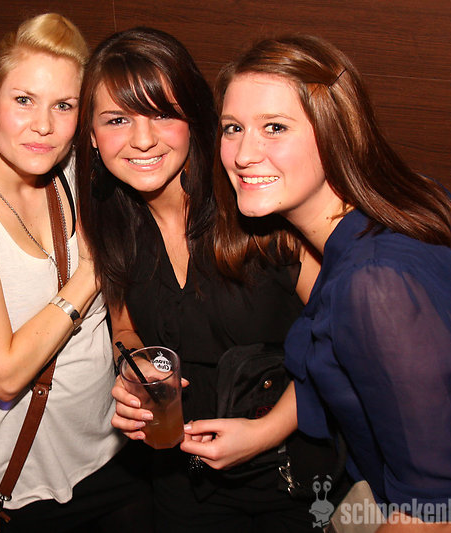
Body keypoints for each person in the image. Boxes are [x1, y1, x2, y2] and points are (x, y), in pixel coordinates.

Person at [216, 34, 451, 531]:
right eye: (232, 128)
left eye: (275, 127)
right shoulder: (416, 199)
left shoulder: (376, 285)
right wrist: (265, 431)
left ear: (336, 131)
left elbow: (441, 512)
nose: (244, 153)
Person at [75, 27, 325, 532]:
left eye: (162, 114)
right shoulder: (108, 221)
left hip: (290, 478)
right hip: (179, 480)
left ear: (194, 118)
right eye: (118, 119)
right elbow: (124, 325)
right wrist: (133, 372)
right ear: (93, 137)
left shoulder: (257, 207)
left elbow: (343, 341)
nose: (142, 139)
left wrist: (267, 431)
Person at [0, 13, 151, 533]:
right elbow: (2, 373)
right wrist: (90, 271)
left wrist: (128, 352)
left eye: (64, 105)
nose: (43, 125)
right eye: (24, 100)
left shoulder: (77, 175)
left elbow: (116, 309)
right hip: (17, 490)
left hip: (114, 457)